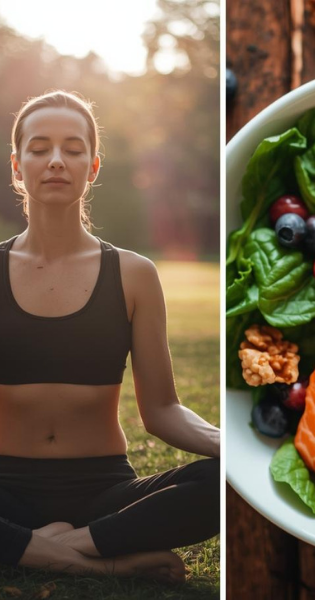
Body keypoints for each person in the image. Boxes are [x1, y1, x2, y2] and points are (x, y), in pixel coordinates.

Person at [0, 91, 219, 582]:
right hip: (5, 486)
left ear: (93, 166)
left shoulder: (133, 274)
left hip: (104, 494)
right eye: (39, 148)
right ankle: (103, 565)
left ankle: (46, 548)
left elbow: (162, 413)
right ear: (17, 166)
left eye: (73, 149)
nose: (56, 160)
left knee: (222, 482)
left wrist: (229, 448)